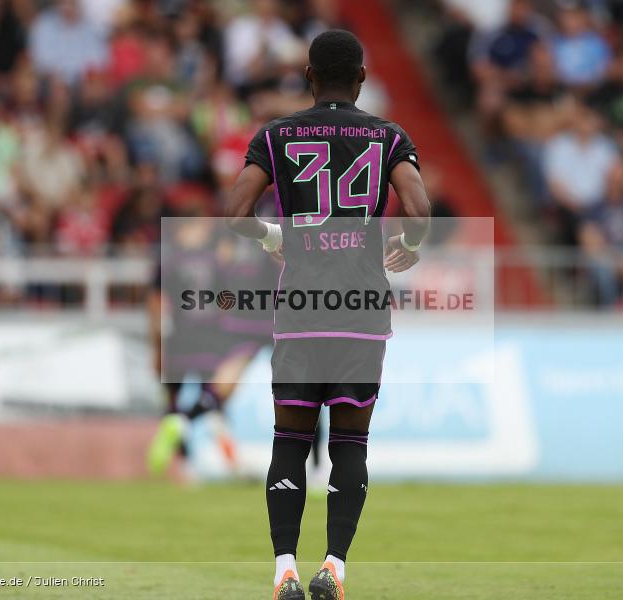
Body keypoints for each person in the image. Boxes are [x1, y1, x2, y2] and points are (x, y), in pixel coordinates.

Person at [226, 30, 430, 600]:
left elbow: (235, 211)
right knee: (350, 445)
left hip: (300, 311)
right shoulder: (388, 137)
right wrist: (410, 248)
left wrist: (271, 237)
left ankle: (284, 568)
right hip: (361, 313)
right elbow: (417, 208)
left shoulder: (277, 135)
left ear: (308, 77)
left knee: (288, 439)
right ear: (361, 78)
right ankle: (333, 567)